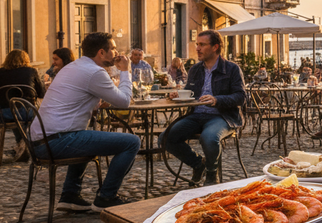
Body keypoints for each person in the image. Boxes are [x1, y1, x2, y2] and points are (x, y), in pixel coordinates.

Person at [30, 32, 140, 211]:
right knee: (132, 142)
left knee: (85, 134)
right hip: (56, 141)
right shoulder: (94, 72)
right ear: (101, 53)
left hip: (40, 140)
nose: (116, 52)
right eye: (112, 48)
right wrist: (125, 71)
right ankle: (106, 197)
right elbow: (124, 102)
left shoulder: (74, 66)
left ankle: (70, 196)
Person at [161, 30, 246, 186]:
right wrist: (179, 95)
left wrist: (217, 99)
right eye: (197, 44)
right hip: (196, 115)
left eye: (202, 45)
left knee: (209, 137)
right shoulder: (195, 69)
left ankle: (212, 175)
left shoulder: (232, 69)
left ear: (215, 47)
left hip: (222, 116)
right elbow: (192, 94)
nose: (197, 49)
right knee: (165, 138)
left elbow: (241, 97)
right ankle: (199, 164)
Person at [1, 49, 46, 160]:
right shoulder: (31, 71)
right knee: (31, 115)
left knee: (15, 115)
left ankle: (21, 145)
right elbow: (41, 94)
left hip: (4, 114)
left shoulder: (0, 72)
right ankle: (26, 145)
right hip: (26, 112)